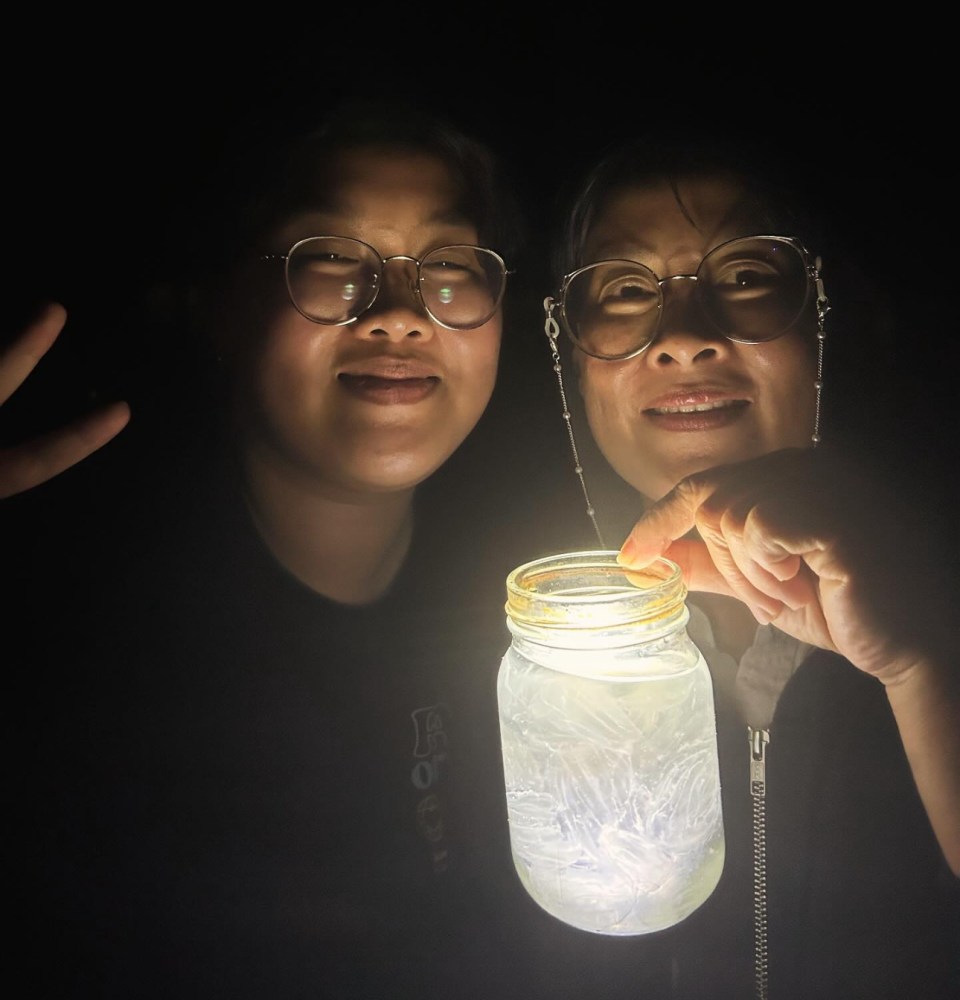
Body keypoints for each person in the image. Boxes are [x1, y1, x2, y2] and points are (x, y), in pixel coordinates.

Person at [4, 98, 552, 998]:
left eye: (449, 265)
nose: (400, 312)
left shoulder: (544, 589)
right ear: (218, 303)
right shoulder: (72, 636)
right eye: (333, 260)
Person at [541, 130, 960, 998]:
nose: (685, 338)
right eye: (625, 290)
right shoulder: (531, 642)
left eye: (743, 277)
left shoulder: (936, 577)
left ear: (827, 312)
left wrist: (923, 666)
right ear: (569, 353)